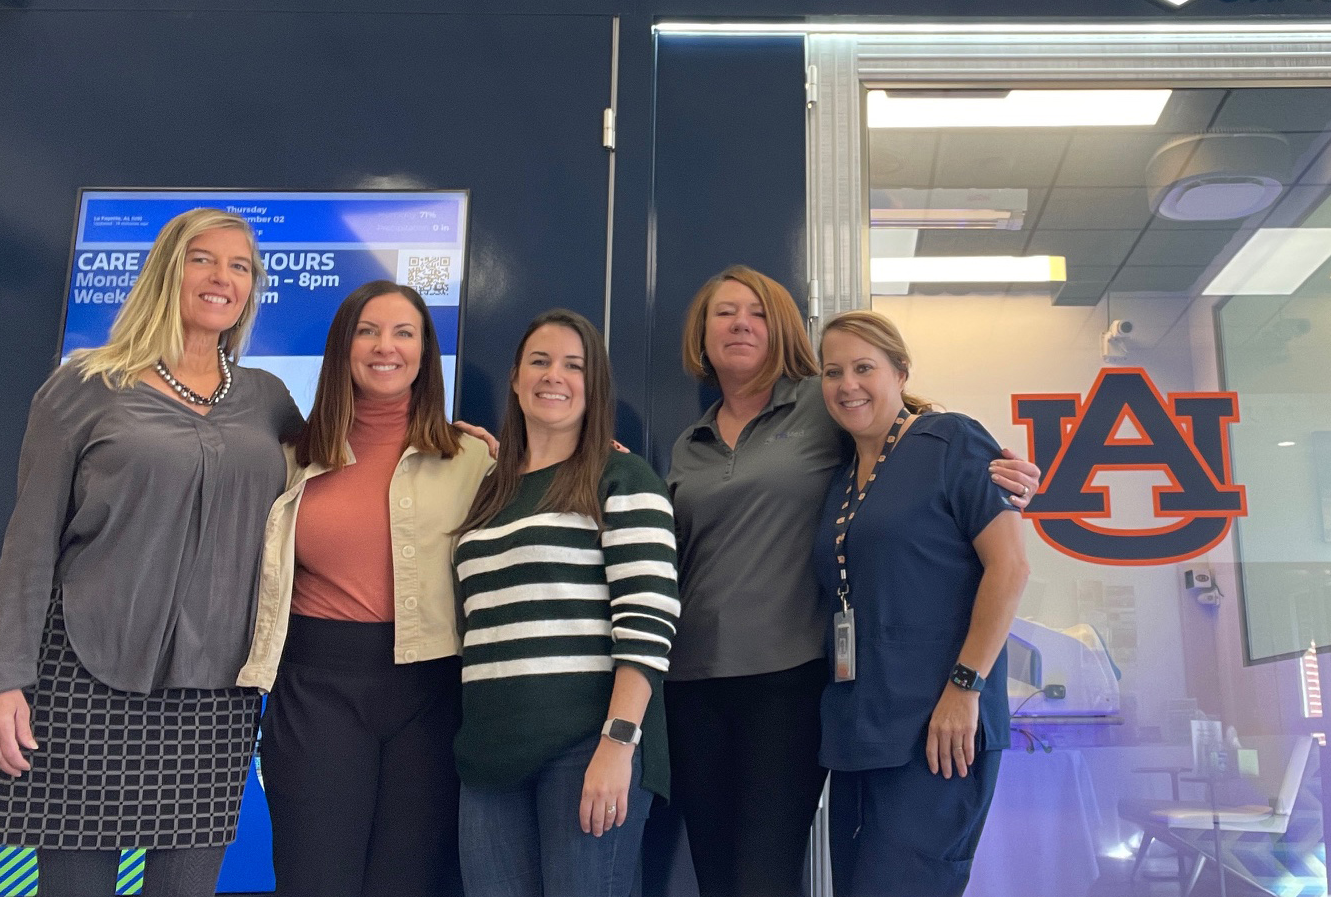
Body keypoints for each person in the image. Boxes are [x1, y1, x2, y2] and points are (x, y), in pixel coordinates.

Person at [662, 266, 1041, 897]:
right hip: (781, 702)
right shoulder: (689, 446)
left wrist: (1001, 473)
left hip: (809, 688)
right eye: (723, 313)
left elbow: (915, 433)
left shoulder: (833, 409)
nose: (739, 324)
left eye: (756, 312)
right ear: (700, 336)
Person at [0, 208, 303, 897]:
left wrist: (452, 445)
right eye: (202, 259)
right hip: (83, 677)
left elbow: (340, 474)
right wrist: (2, 677)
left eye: (240, 265)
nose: (222, 277)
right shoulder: (84, 385)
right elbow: (29, 540)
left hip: (215, 695)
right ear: (165, 272)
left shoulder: (269, 401)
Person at [237, 280, 492, 896]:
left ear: (425, 350)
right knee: (314, 879)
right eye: (368, 330)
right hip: (315, 689)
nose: (387, 346)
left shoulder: (473, 458)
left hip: (431, 694)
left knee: (405, 883)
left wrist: (595, 462)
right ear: (343, 346)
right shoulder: (289, 456)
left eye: (404, 332)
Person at [451, 309, 680, 897]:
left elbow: (648, 622)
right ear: (515, 377)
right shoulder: (488, 491)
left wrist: (617, 743)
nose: (555, 376)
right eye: (540, 361)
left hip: (587, 746)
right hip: (490, 753)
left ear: (594, 385)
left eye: (574, 366)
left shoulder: (623, 479)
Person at [810, 310, 1030, 897]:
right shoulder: (841, 475)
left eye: (864, 368)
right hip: (860, 732)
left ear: (900, 373)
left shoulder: (950, 440)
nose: (847, 384)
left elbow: (1009, 568)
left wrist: (965, 687)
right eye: (833, 372)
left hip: (939, 734)